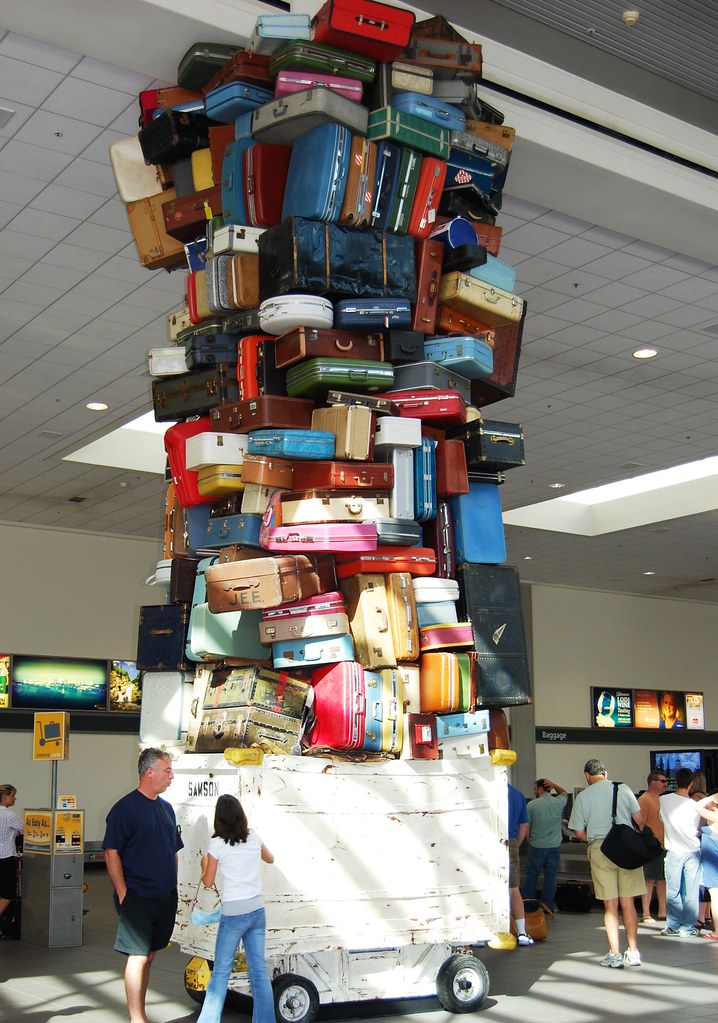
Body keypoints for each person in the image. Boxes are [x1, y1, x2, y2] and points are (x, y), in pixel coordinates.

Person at [103, 748, 183, 1023]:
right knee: (137, 957)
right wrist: (125, 895)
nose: (172, 776)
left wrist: (173, 887)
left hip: (164, 897)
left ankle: (140, 1012)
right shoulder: (124, 809)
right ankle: (138, 1018)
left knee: (148, 956)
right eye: (168, 770)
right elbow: (111, 853)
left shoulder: (167, 809)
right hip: (137, 896)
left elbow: (173, 850)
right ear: (150, 772)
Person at [195, 794, 275, 1023]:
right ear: (241, 816)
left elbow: (208, 881)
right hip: (257, 912)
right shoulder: (254, 837)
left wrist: (203, 865)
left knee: (220, 973)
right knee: (259, 972)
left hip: (234, 915)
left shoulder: (217, 844)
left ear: (218, 819)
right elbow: (270, 859)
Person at [568, 759, 645, 968]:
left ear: (587, 776)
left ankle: (615, 954)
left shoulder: (583, 796)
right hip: (627, 848)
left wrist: (591, 836)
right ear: (606, 773)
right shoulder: (623, 788)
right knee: (627, 902)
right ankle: (634, 952)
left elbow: (578, 832)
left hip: (601, 848)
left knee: (610, 904)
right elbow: (638, 819)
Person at [659, 767, 711, 936]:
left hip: (673, 851)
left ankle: (673, 925)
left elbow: (661, 819)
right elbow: (698, 828)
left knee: (673, 890)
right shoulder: (693, 805)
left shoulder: (664, 800)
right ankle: (687, 927)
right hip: (692, 851)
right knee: (690, 890)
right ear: (691, 784)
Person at [521, 778, 568, 912]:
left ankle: (527, 904)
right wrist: (554, 785)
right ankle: (547, 905)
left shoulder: (531, 805)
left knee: (532, 875)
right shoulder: (558, 802)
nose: (534, 791)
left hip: (537, 846)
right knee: (551, 876)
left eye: (535, 788)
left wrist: (528, 840)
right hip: (554, 846)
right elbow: (564, 793)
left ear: (540, 789)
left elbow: (526, 826)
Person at [637, 771, 668, 923]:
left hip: (663, 845)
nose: (665, 784)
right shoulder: (644, 800)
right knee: (649, 879)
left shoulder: (661, 800)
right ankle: (646, 912)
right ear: (653, 782)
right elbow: (640, 823)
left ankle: (663, 910)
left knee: (662, 879)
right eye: (662, 781)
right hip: (651, 845)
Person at [507, 782, 533, 946]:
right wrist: (516, 842)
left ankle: (481, 936)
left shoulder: (484, 789)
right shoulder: (517, 794)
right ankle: (522, 933)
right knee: (513, 889)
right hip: (510, 842)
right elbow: (524, 824)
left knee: (486, 888)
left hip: (485, 843)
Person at [0, 784, 23, 937]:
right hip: (5, 857)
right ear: (6, 797)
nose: (15, 798)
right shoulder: (8, 815)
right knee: (8, 894)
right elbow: (26, 829)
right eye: (13, 795)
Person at [695, 798, 718, 940]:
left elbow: (696, 806)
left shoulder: (714, 816)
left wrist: (710, 797)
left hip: (712, 861)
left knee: (715, 896)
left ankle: (717, 932)